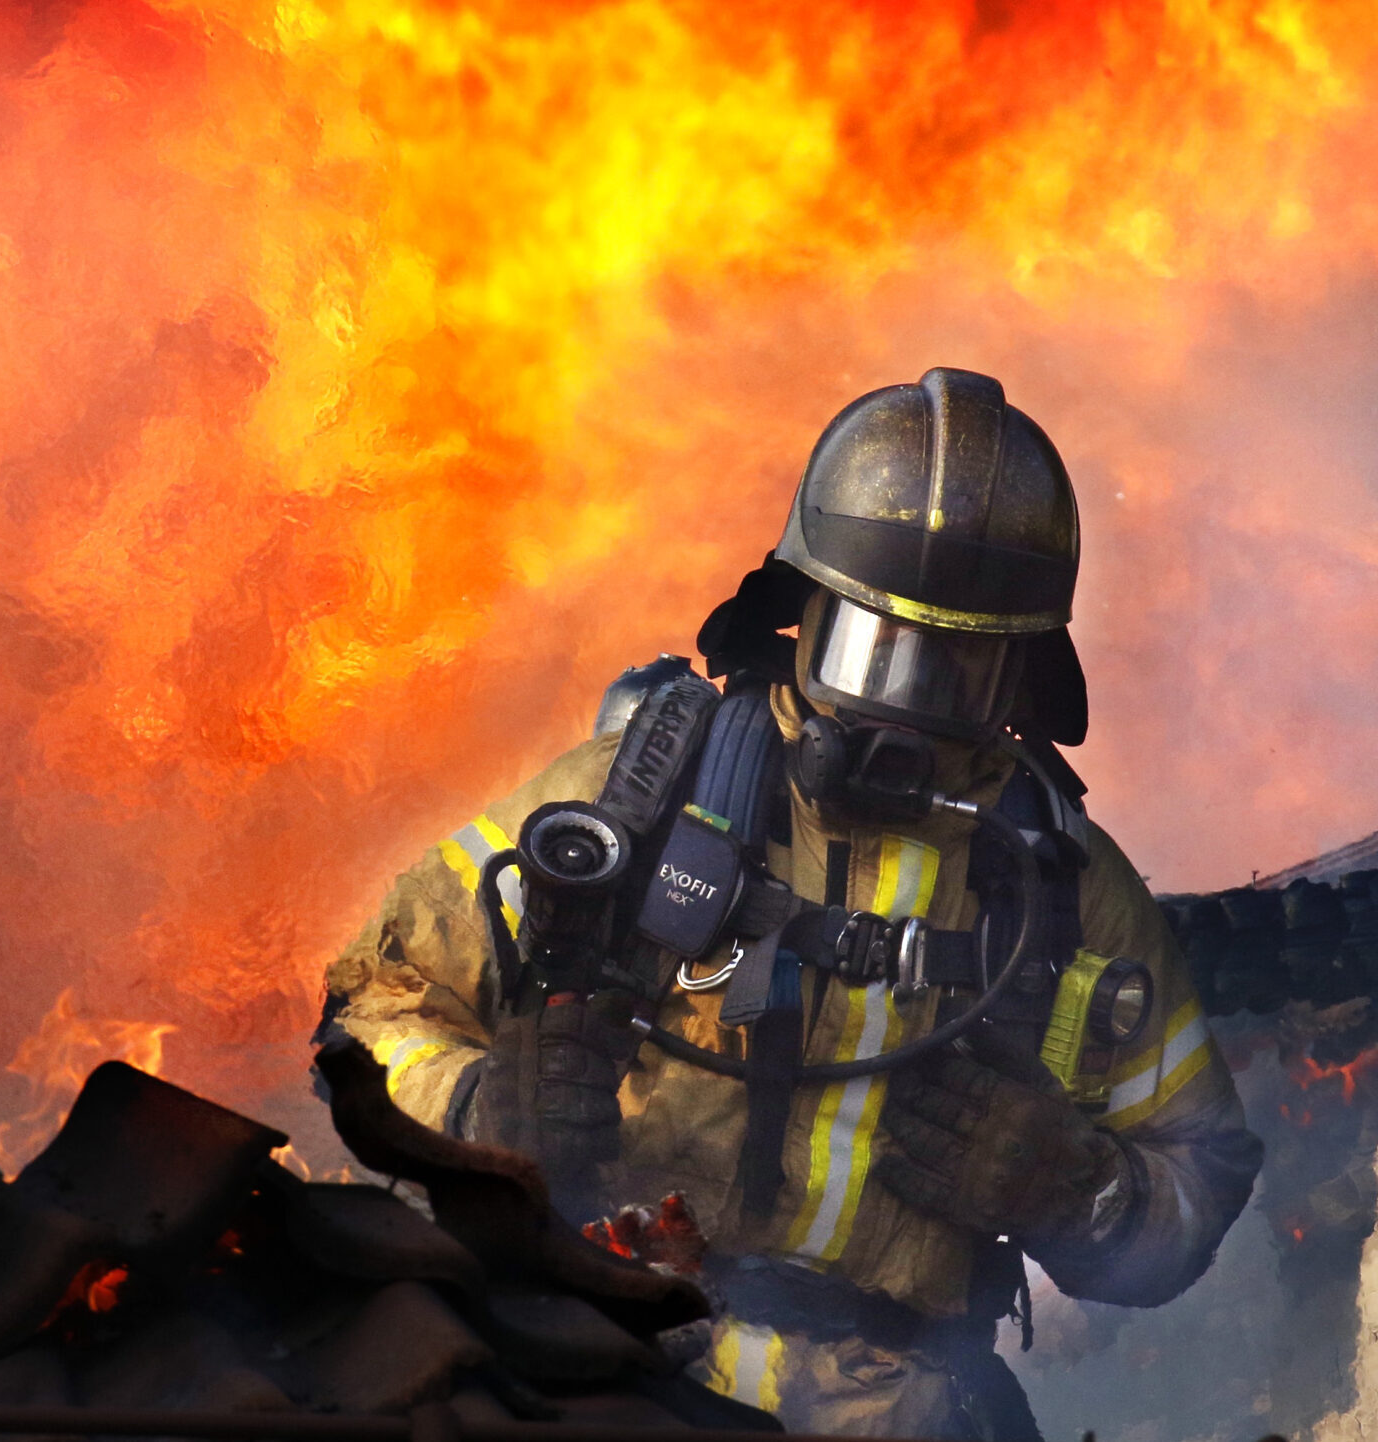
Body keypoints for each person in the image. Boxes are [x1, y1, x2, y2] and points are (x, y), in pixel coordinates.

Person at [317, 368, 1264, 1440]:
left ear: (1018, 677)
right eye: (874, 651)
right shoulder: (638, 797)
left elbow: (1195, 1181)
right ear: (801, 613)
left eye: (953, 672)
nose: (901, 711)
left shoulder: (1065, 890)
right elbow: (373, 1001)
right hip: (603, 1374)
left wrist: (1074, 1186)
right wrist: (480, 1114)